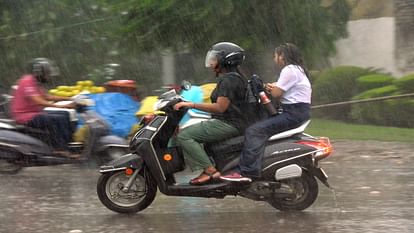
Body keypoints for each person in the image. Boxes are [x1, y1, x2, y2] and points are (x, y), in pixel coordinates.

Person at [220, 43, 312, 182]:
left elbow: (276, 93)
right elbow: (281, 87)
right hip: (298, 112)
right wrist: (271, 86)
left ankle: (247, 171)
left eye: (276, 55)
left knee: (254, 131)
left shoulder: (289, 70)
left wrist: (268, 89)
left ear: (282, 56)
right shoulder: (297, 69)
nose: (275, 58)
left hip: (293, 113)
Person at [174, 42, 248, 185]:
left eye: (215, 58)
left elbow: (220, 107)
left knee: (185, 136)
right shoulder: (233, 77)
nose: (211, 61)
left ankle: (210, 171)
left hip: (230, 123)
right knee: (196, 132)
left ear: (225, 60)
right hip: (232, 121)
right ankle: (209, 168)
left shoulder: (229, 80)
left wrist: (191, 105)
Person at [10, 58, 78, 158]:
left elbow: (46, 97)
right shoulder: (27, 81)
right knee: (58, 119)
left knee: (65, 114)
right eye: (47, 74)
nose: (48, 77)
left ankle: (69, 144)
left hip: (34, 113)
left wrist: (71, 98)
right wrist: (63, 105)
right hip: (25, 116)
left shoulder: (36, 82)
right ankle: (59, 149)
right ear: (40, 73)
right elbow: (38, 101)